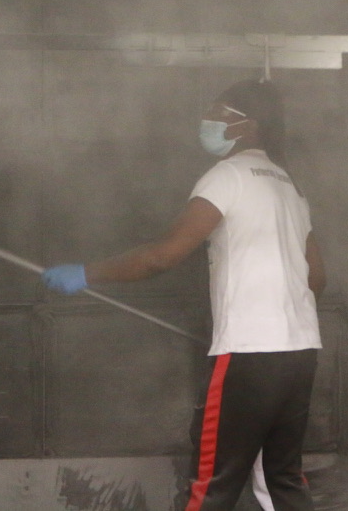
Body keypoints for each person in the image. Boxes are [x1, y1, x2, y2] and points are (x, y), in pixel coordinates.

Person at [43, 78, 327, 511]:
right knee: (282, 479)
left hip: (249, 352)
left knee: (210, 485)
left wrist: (87, 273)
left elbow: (163, 256)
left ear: (247, 126)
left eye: (218, 112)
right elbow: (316, 280)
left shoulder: (227, 176)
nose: (207, 121)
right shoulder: (289, 185)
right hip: (300, 350)